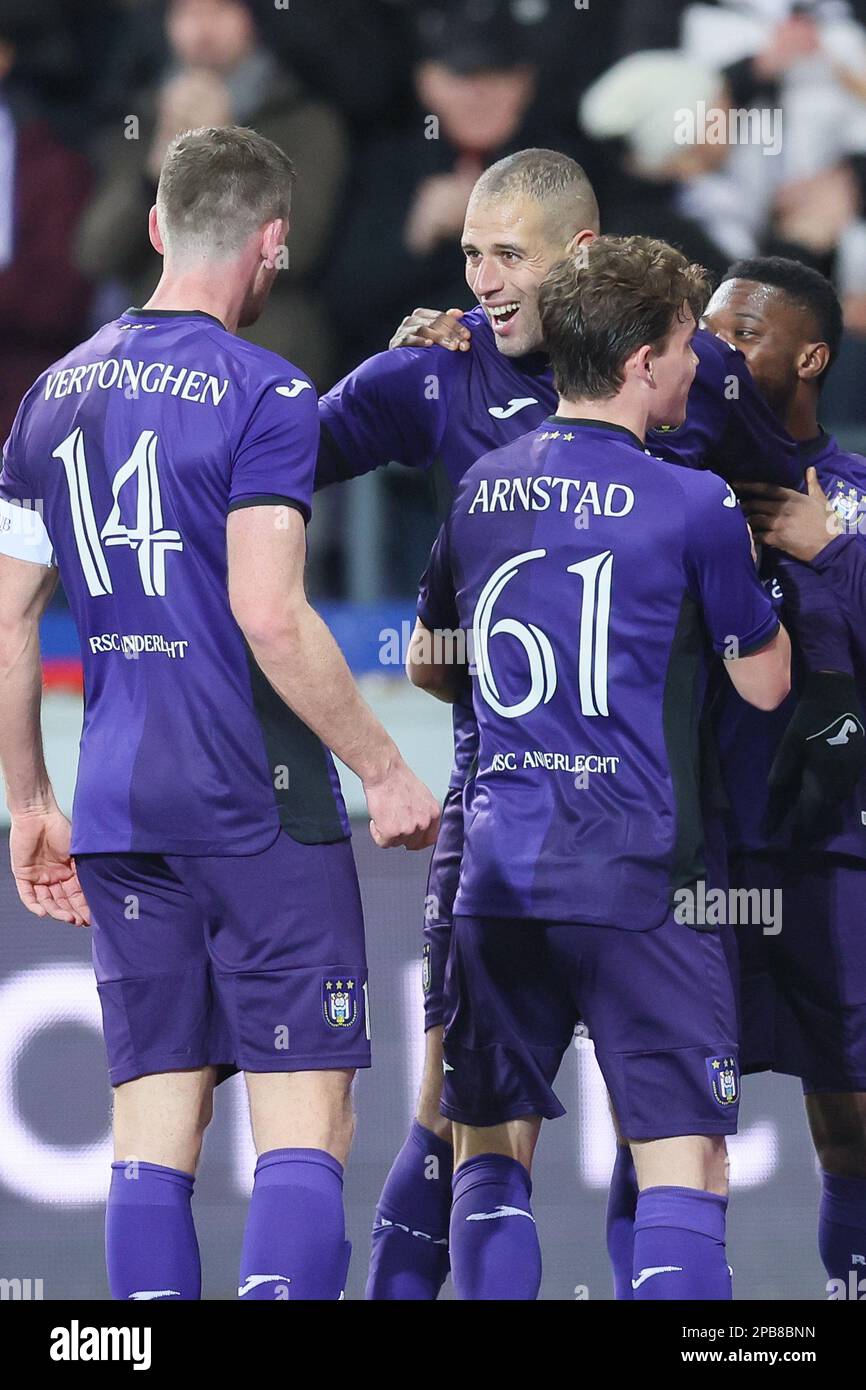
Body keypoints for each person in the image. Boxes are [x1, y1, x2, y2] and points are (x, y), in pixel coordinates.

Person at [316, 145, 819, 1300]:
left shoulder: (701, 390)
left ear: (578, 257)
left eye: (507, 256)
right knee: (459, 1133)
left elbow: (798, 489)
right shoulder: (429, 375)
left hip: (654, 820)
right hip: (555, 825)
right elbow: (264, 475)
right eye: (469, 256)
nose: (483, 281)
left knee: (609, 1136)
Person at [0, 124, 438, 1302]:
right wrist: (386, 769)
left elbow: (5, 619)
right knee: (308, 1118)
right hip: (257, 798)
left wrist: (29, 801)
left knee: (152, 1116)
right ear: (275, 245)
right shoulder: (267, 389)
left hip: (114, 797)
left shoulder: (49, 395)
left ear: (154, 229)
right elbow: (270, 611)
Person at [704, 258, 866, 1292]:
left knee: (846, 1126)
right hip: (702, 849)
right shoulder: (663, 477)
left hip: (828, 851)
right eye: (702, 332)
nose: (712, 353)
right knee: (671, 1121)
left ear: (806, 356)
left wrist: (837, 549)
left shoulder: (852, 500)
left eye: (739, 336)